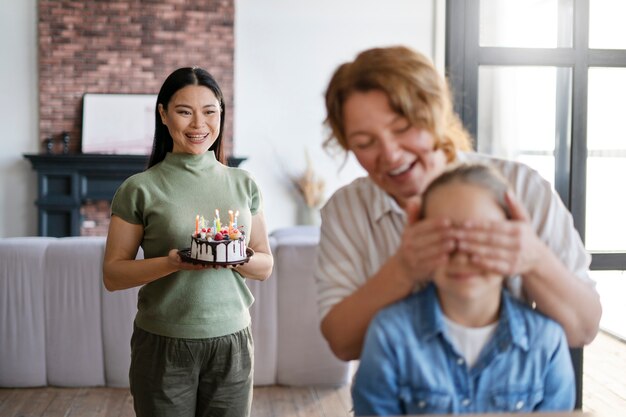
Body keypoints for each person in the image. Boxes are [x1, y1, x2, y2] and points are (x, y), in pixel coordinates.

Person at [315, 45, 601, 362]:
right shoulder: (347, 210)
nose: (391, 154)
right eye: (364, 143)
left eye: (402, 128)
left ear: (437, 113)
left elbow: (584, 329)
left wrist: (534, 259)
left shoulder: (522, 188)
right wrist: (404, 269)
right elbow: (342, 344)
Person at [102, 67, 273, 417]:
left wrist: (232, 256)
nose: (199, 124)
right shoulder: (140, 188)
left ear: (221, 115)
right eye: (184, 111)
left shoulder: (244, 184)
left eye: (210, 111)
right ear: (163, 114)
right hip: (164, 344)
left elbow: (265, 266)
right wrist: (172, 263)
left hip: (233, 342)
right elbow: (113, 275)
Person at [351, 163, 575, 415]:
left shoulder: (546, 342)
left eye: (482, 235)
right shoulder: (389, 336)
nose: (462, 254)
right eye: (442, 236)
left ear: (515, 239)